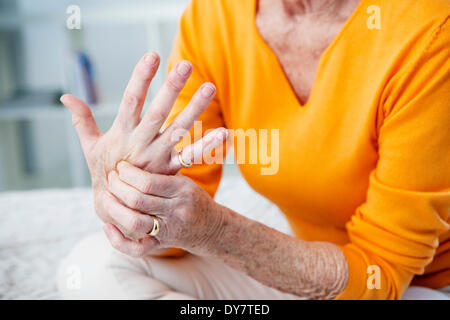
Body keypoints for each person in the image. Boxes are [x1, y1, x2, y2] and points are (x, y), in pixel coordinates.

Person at [58, 0, 450, 299]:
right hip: (305, 268)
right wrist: (135, 202)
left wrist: (216, 231)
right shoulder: (218, 14)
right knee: (95, 264)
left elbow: (377, 276)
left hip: (412, 286)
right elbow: (175, 224)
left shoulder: (429, 32)